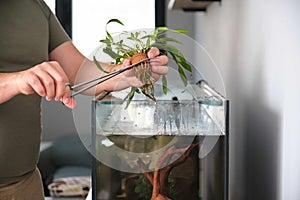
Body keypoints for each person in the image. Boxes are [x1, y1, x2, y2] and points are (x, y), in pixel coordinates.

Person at [0, 0, 168, 199]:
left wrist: (123, 74)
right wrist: (16, 81)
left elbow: (78, 70)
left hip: (25, 183)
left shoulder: (35, 6)